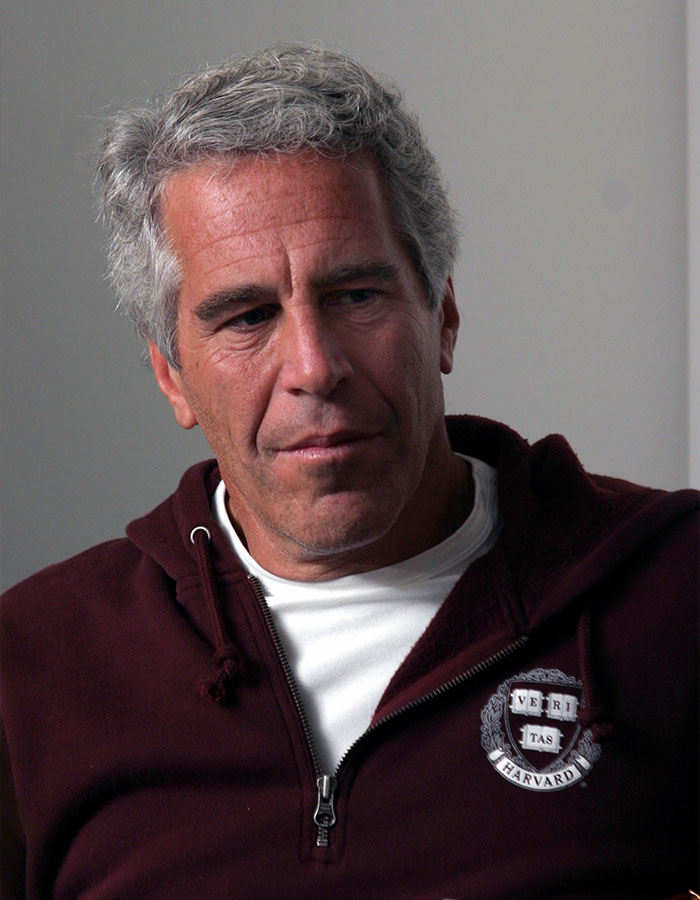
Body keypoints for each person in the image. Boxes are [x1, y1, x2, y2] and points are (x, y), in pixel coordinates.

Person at [1, 45, 697, 900]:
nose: (314, 366)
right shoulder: (33, 665)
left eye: (357, 296)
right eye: (248, 316)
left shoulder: (675, 588)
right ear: (171, 375)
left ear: (441, 315)